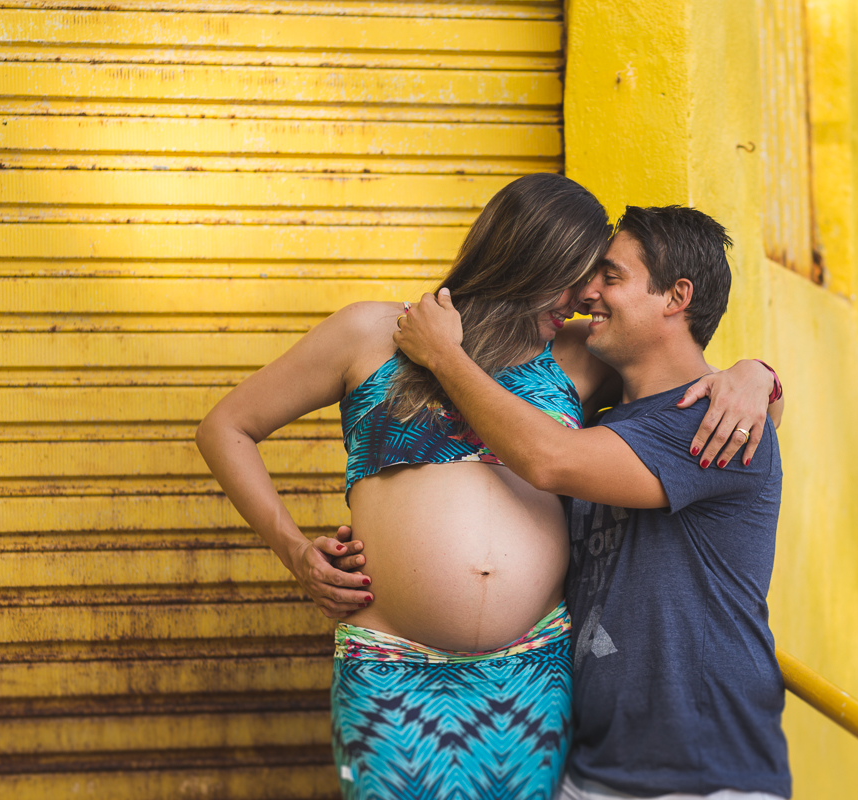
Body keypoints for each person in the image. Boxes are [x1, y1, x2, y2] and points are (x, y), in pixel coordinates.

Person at [195, 176, 781, 800]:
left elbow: (693, 397)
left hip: (531, 673)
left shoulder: (580, 354)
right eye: (577, 275)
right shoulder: (371, 333)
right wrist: (294, 552)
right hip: (392, 667)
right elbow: (226, 427)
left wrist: (757, 377)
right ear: (527, 257)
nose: (584, 298)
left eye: (599, 278)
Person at [392, 204, 791, 799]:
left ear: (676, 296)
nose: (586, 293)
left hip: (701, 776)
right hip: (592, 769)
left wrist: (446, 356)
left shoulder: (711, 422)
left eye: (611, 276)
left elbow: (547, 461)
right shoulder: (610, 427)